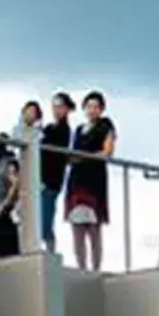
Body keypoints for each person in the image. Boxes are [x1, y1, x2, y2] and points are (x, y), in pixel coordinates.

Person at [0, 100, 39, 258]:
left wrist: (5, 205)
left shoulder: (8, 162)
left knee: (2, 256)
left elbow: (16, 182)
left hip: (0, 216)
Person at [66, 90, 116, 270]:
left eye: (96, 107)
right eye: (89, 106)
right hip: (76, 180)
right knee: (77, 227)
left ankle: (96, 268)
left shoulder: (106, 127)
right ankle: (81, 267)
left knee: (94, 228)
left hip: (94, 180)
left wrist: (85, 157)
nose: (92, 110)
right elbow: (71, 154)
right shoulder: (79, 129)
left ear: (101, 109)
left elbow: (107, 153)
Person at [37, 91, 73, 254]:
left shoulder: (64, 130)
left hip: (51, 180)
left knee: (46, 220)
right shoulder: (49, 127)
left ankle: (51, 252)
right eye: (54, 106)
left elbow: (57, 153)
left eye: (60, 106)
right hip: (39, 178)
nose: (57, 109)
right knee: (36, 219)